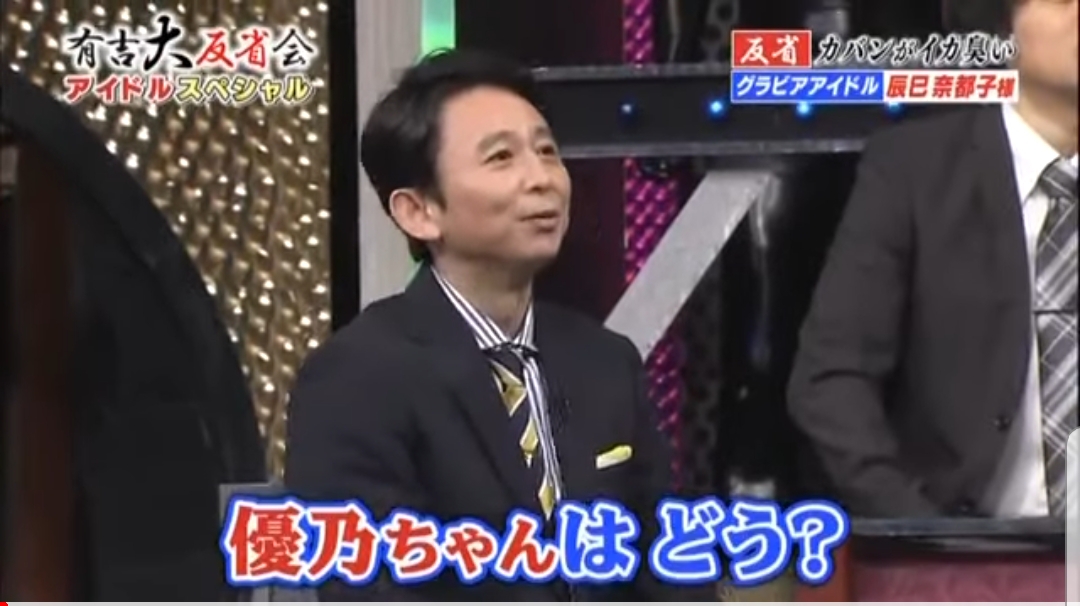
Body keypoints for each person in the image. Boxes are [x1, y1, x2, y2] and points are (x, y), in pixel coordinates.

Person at [285, 49, 712, 601]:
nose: (542, 179)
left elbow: (667, 567)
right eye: (501, 157)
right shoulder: (357, 377)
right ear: (418, 211)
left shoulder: (606, 362)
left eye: (546, 151)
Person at [789, 0, 1077, 518]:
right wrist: (922, 533)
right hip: (971, 546)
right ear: (1002, 24)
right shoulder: (913, 171)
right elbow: (831, 380)